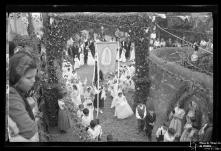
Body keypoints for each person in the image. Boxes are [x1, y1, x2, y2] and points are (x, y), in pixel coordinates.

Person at [9, 51, 39, 142]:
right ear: (16, 77)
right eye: (29, 78)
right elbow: (30, 130)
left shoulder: (18, 92)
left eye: (34, 77)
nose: (33, 81)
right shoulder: (11, 96)